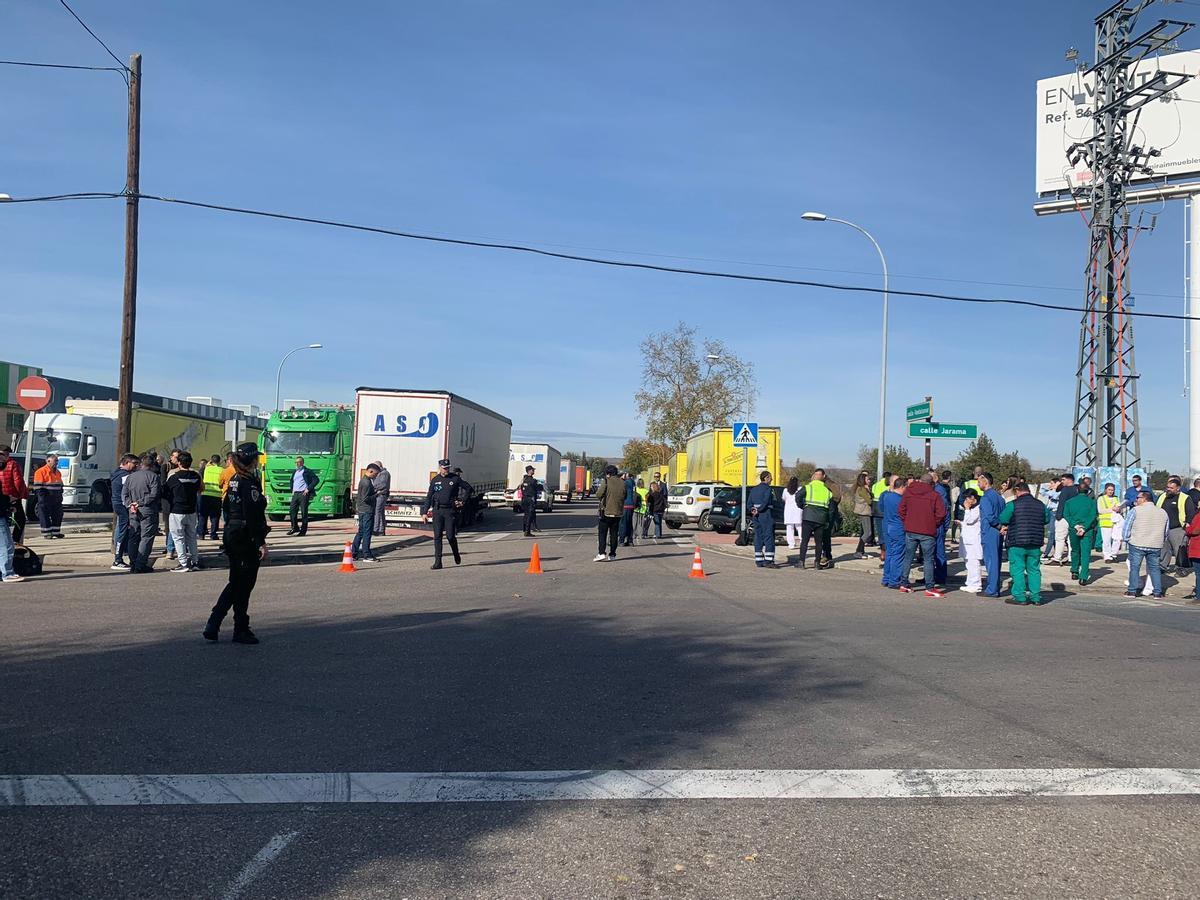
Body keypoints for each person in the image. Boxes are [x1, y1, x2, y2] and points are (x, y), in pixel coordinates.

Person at [203, 443, 268, 644]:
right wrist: (260, 541)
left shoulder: (233, 480)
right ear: (252, 460)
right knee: (244, 583)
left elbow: (226, 506)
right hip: (244, 536)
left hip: (232, 532)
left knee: (237, 581)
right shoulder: (248, 482)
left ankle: (215, 623)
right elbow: (252, 514)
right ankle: (238, 627)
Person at [997, 481, 1048, 605]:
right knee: (1034, 570)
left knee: (1018, 569)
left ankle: (1020, 596)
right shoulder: (1040, 505)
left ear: (1017, 491)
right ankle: (1036, 597)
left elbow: (1003, 518)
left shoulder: (1013, 504)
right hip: (1035, 542)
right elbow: (1047, 519)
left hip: (1017, 542)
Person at [897, 473, 947, 597]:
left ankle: (904, 583)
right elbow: (941, 513)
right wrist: (933, 523)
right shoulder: (934, 495)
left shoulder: (909, 492)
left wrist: (907, 521)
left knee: (908, 557)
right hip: (927, 531)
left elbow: (901, 510)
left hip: (911, 529)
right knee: (928, 559)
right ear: (932, 483)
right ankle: (929, 587)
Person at [1123, 489, 1169, 599]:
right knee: (1155, 569)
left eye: (1138, 498)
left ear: (1144, 499)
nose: (1136, 500)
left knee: (1135, 568)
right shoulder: (1163, 512)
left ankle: (1132, 591)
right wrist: (1161, 541)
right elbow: (1166, 531)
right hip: (1155, 545)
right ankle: (1157, 592)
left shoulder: (1135, 510)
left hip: (1137, 543)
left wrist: (1127, 539)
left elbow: (1127, 527)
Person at [122, 454, 162, 574]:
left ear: (141, 464)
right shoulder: (154, 477)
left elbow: (124, 494)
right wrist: (139, 503)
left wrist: (130, 504)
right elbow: (154, 494)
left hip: (133, 510)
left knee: (133, 536)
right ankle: (140, 564)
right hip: (147, 510)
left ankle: (133, 563)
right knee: (146, 537)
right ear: (152, 465)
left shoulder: (131, 477)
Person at [163, 451, 203, 573]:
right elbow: (201, 489)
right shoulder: (196, 476)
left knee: (178, 538)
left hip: (177, 510)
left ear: (179, 463)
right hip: (191, 511)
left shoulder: (174, 477)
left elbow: (165, 491)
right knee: (192, 537)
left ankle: (183, 563)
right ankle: (195, 562)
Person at [422, 458, 463, 570]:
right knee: (437, 536)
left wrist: (462, 501)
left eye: (448, 468)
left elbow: (468, 489)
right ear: (440, 468)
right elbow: (429, 497)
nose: (446, 470)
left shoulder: (454, 478)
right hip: (438, 510)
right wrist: (424, 512)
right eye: (444, 468)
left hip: (449, 511)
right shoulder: (435, 480)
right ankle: (438, 562)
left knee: (450, 536)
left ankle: (456, 553)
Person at [1060, 486, 1099, 586]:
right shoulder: (1092, 502)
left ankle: (1074, 571)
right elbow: (1093, 515)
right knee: (1085, 553)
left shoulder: (1069, 502)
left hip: (1074, 529)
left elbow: (1066, 515)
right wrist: (1084, 527)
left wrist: (1075, 525)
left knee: (1075, 550)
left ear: (1077, 490)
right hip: (1087, 530)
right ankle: (1083, 577)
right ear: (1088, 491)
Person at [797, 468, 832, 570]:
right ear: (823, 476)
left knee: (804, 541)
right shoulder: (827, 491)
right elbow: (830, 507)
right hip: (821, 518)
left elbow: (797, 496)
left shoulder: (808, 487)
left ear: (814, 476)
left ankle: (801, 562)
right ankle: (817, 563)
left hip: (808, 516)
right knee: (819, 542)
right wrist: (827, 519)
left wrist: (802, 506)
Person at [109, 453, 138, 570]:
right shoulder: (125, 476)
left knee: (122, 529)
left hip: (118, 504)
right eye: (134, 463)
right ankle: (118, 560)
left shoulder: (117, 473)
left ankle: (121, 554)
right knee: (122, 531)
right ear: (127, 462)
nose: (136, 466)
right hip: (122, 505)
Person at [1155, 477, 1189, 575]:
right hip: (1163, 528)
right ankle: (1163, 566)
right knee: (1164, 549)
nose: (1168, 489)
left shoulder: (1184, 498)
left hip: (1178, 528)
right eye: (1168, 487)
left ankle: (1180, 568)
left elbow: (1190, 513)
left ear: (1178, 488)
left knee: (1179, 550)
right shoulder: (1162, 496)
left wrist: (1187, 525)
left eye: (1171, 488)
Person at [978, 474, 1005, 597]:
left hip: (990, 530)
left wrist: (998, 525)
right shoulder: (999, 497)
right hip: (998, 532)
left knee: (991, 560)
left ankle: (992, 589)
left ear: (986, 482)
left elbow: (989, 516)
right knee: (996, 560)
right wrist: (1002, 526)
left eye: (979, 482)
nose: (978, 484)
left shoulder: (985, 498)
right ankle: (995, 587)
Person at [0, 448, 24, 583]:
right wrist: (10, 499)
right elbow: (18, 481)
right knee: (7, 544)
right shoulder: (13, 465)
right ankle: (7, 573)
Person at [879, 476, 907, 589]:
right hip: (898, 527)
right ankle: (894, 580)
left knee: (890, 553)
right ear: (902, 487)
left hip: (888, 526)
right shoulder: (901, 500)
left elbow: (881, 508)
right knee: (898, 554)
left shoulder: (886, 496)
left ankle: (886, 578)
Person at [0, 445, 29, 546]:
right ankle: (14, 541)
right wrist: (19, 495)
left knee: (3, 519)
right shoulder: (12, 464)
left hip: (2, 496)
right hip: (11, 496)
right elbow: (18, 481)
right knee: (20, 519)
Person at [747, 470, 777, 568]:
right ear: (766, 478)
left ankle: (759, 560)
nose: (771, 479)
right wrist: (759, 509)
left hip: (755, 516)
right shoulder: (768, 489)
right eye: (770, 477)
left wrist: (753, 510)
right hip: (766, 514)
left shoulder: (754, 489)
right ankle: (769, 560)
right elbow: (766, 502)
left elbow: (749, 503)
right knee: (768, 536)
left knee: (758, 536)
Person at [594, 464, 624, 561]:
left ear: (608, 474)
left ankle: (601, 553)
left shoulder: (606, 481)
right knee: (614, 534)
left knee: (602, 533)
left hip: (606, 511)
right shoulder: (622, 482)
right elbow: (625, 495)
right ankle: (612, 554)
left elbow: (599, 494)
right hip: (618, 512)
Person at [286, 456, 320, 537]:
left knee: (304, 512)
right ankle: (295, 527)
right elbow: (292, 481)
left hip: (303, 494)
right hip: (295, 494)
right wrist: (292, 489)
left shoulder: (307, 471)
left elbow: (316, 480)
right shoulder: (295, 472)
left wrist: (308, 489)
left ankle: (303, 531)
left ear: (302, 463)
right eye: (296, 462)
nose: (297, 464)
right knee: (292, 511)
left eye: (298, 462)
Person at [32, 454, 64, 540]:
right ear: (48, 461)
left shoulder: (58, 472)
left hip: (56, 497)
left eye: (57, 461)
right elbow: (38, 487)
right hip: (46, 496)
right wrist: (42, 498)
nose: (56, 463)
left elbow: (60, 485)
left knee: (58, 514)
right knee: (44, 515)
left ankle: (56, 532)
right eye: (55, 461)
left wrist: (60, 495)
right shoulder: (40, 472)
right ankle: (47, 533)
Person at [352, 463, 380, 562]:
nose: (376, 476)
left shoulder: (364, 480)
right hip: (367, 510)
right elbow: (366, 498)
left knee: (361, 532)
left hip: (362, 510)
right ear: (370, 471)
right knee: (367, 533)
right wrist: (376, 494)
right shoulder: (366, 482)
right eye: (375, 474)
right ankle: (367, 555)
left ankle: (353, 553)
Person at [1050, 473, 1077, 566]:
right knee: (1071, 540)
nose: (1062, 481)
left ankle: (1057, 558)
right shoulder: (1076, 490)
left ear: (1070, 480)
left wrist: (1058, 516)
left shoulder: (1065, 490)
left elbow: (1062, 503)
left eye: (1063, 480)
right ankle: (1071, 558)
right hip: (1073, 517)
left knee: (1060, 538)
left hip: (1063, 517)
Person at [959, 490, 982, 594]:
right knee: (968, 563)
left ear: (972, 498)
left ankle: (976, 584)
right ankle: (970, 583)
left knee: (973, 563)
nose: (965, 501)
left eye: (967, 499)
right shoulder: (972, 508)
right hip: (967, 539)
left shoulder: (978, 508)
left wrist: (967, 509)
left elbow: (970, 520)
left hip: (973, 540)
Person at [932, 469, 953, 587]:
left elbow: (945, 510)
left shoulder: (939, 491)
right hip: (932, 526)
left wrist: (945, 527)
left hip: (938, 526)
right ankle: (931, 575)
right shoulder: (935, 489)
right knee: (931, 553)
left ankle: (940, 577)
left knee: (939, 552)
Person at [1097, 482, 1123, 562]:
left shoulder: (1116, 498)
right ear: (1105, 490)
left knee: (1117, 538)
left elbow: (1119, 508)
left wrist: (1119, 509)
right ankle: (1107, 556)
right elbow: (1100, 510)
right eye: (1109, 490)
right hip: (1105, 522)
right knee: (1106, 541)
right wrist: (1112, 509)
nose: (1111, 491)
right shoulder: (1101, 498)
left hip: (1116, 522)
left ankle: (1114, 554)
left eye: (1112, 490)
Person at [200, 454, 223, 540]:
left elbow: (201, 472)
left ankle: (201, 534)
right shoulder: (221, 470)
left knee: (203, 515)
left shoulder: (206, 469)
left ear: (211, 461)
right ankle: (213, 534)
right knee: (215, 517)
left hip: (205, 495)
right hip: (217, 496)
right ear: (219, 461)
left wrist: (208, 463)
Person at [1039, 476, 1062, 560]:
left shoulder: (1060, 492)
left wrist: (1054, 489)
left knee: (1051, 534)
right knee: (1052, 534)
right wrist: (1047, 486)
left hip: (1055, 512)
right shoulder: (1052, 491)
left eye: (1052, 483)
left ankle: (1046, 553)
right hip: (1050, 512)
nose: (1051, 485)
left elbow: (1054, 496)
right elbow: (1042, 492)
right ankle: (1056, 552)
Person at [852, 473, 873, 556]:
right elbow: (869, 501)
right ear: (863, 480)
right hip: (864, 512)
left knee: (865, 532)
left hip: (863, 512)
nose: (869, 481)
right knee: (868, 533)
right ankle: (859, 551)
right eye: (867, 479)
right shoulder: (862, 490)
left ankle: (861, 551)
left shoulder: (859, 488)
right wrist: (869, 491)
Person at [870, 470, 891, 552]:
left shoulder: (875, 485)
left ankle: (882, 548)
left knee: (879, 529)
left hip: (876, 508)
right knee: (887, 529)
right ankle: (886, 547)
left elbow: (873, 494)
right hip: (885, 508)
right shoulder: (889, 485)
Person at [1184, 503, 1200, 603]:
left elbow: (1196, 530)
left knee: (1198, 573)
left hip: (1197, 548)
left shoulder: (1198, 516)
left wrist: (1187, 528)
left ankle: (1199, 596)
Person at [783, 476, 804, 553]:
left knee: (789, 528)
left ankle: (791, 544)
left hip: (788, 511)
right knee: (800, 527)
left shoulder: (785, 490)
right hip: (798, 510)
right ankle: (802, 542)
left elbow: (783, 498)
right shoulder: (800, 489)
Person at [519, 465, 539, 538]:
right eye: (533, 470)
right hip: (530, 499)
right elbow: (537, 488)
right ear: (529, 471)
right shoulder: (533, 481)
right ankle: (527, 531)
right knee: (530, 515)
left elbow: (521, 488)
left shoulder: (524, 480)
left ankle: (525, 529)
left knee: (526, 515)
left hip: (524, 499)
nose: (534, 471)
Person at [371, 461, 391, 537]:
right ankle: (381, 530)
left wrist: (373, 487)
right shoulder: (381, 473)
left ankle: (376, 529)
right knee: (380, 512)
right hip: (379, 494)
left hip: (381, 495)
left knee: (377, 512)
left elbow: (382, 485)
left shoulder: (384, 473)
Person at [619, 472, 637, 547]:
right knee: (629, 523)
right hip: (631, 505)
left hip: (625, 504)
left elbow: (622, 493)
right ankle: (630, 540)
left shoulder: (625, 483)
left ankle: (621, 540)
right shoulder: (633, 483)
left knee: (623, 524)